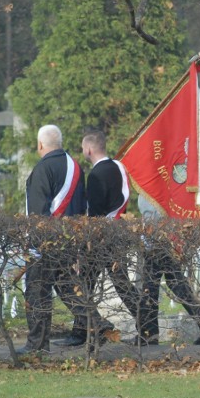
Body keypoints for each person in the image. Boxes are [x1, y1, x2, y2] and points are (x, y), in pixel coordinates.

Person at [54, 128, 141, 347]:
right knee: (120, 284)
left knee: (84, 284)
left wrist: (85, 244)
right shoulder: (118, 167)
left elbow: (94, 213)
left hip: (99, 238)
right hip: (116, 233)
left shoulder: (96, 175)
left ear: (89, 149)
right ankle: (147, 327)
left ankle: (81, 332)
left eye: (84, 148)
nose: (83, 151)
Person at [19, 125, 86, 354]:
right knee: (68, 288)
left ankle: (37, 345)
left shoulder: (42, 168)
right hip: (68, 240)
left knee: (37, 292)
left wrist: (34, 245)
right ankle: (99, 325)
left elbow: (38, 213)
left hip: (45, 243)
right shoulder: (75, 166)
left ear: (40, 145)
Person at [134, 194, 200, 347]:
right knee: (176, 285)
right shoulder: (146, 188)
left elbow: (154, 218)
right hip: (161, 242)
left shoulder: (150, 188)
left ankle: (149, 335)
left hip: (158, 243)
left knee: (150, 288)